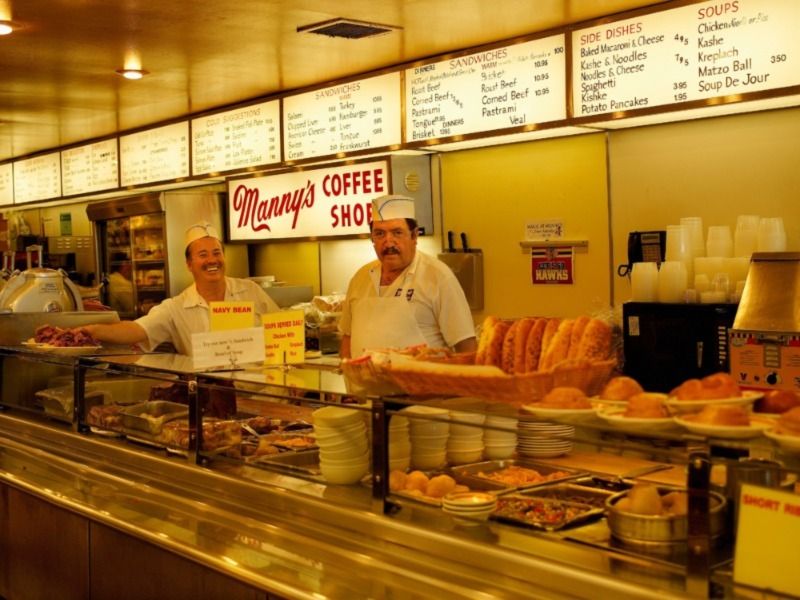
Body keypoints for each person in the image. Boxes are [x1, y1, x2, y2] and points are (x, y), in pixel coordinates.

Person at [79, 221, 280, 356]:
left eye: (216, 253)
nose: (212, 260)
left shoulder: (250, 291)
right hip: (210, 399)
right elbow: (137, 330)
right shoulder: (176, 308)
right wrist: (92, 331)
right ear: (189, 264)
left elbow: (281, 331)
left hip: (261, 393)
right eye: (203, 255)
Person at [339, 194, 477, 359]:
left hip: (421, 384)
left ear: (414, 236)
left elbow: (466, 347)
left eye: (397, 233)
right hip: (364, 385)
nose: (388, 243)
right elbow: (348, 337)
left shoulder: (438, 277)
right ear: (372, 238)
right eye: (380, 234)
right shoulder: (360, 278)